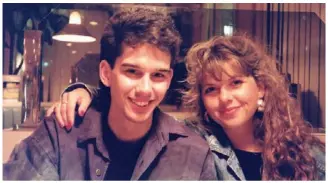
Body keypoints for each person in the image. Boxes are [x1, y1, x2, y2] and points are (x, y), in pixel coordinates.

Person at [48, 35, 325, 180]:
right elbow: (140, 107)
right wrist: (84, 91)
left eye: (236, 82)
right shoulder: (193, 140)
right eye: (211, 89)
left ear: (261, 86)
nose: (225, 98)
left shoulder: (309, 153)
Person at [3, 7, 217, 180]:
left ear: (169, 79)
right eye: (132, 71)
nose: (145, 89)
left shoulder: (193, 153)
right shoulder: (61, 134)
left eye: (158, 75)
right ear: (106, 73)